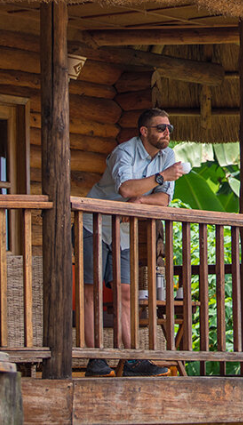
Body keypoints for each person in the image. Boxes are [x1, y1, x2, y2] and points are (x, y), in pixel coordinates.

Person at [82, 108, 185, 377]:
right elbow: (125, 189)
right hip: (95, 223)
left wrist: (141, 200)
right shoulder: (124, 152)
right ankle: (95, 358)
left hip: (123, 229)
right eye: (161, 128)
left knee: (126, 292)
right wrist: (160, 177)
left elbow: (162, 201)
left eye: (169, 128)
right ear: (144, 131)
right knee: (91, 291)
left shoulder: (168, 156)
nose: (167, 132)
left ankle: (130, 359)